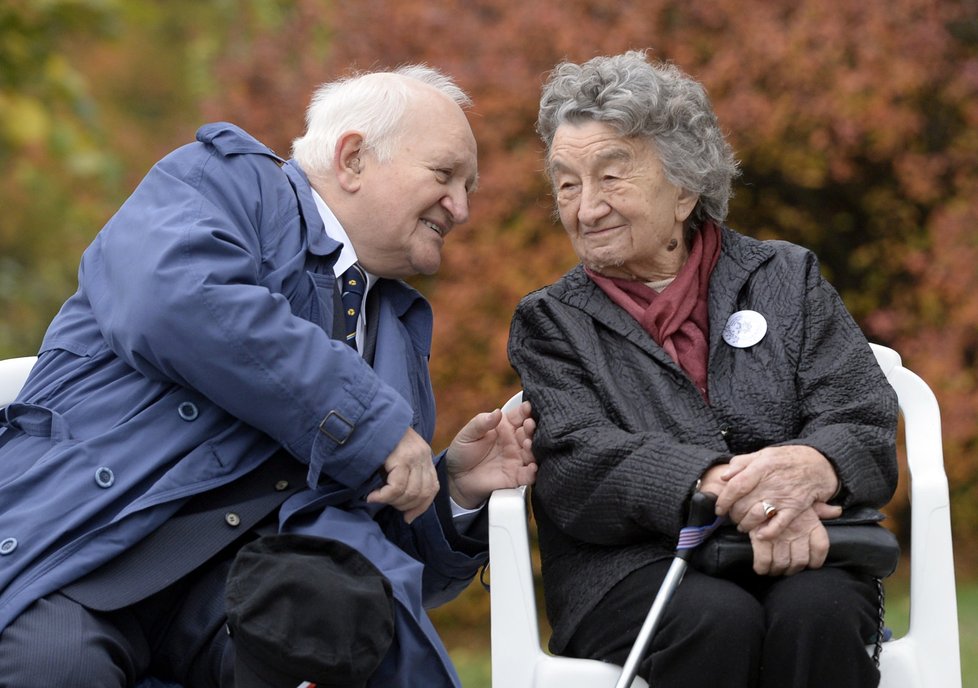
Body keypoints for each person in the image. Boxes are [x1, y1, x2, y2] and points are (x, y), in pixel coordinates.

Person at [0, 64, 536, 688]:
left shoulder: (397, 325)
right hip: (88, 550)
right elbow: (174, 300)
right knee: (63, 672)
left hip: (243, 600)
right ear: (354, 157)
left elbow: (372, 551)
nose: (463, 209)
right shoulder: (223, 181)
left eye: (468, 187)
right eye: (444, 176)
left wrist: (453, 493)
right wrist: (373, 427)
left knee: (346, 638)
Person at [507, 50, 898, 688]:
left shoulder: (784, 277)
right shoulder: (550, 322)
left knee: (819, 612)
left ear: (686, 188)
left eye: (612, 177)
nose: (586, 208)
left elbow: (860, 414)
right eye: (567, 183)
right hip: (630, 568)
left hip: (802, 545)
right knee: (717, 618)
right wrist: (721, 484)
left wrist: (809, 468)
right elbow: (580, 462)